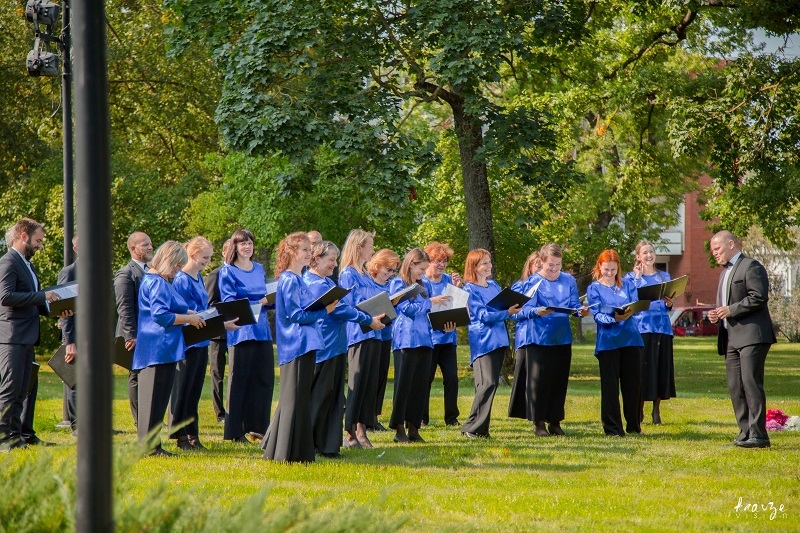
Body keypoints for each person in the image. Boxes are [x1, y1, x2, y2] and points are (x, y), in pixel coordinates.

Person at [305, 241, 384, 458]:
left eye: (336, 259)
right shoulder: (315, 284)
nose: (335, 264)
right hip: (325, 346)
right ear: (316, 259)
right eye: (331, 260)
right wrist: (367, 319)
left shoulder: (325, 282)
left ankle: (326, 444)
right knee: (320, 398)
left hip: (335, 345)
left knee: (332, 399)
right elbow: (341, 310)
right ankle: (313, 444)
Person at [262, 233, 336, 462]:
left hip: (304, 342)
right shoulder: (290, 279)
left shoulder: (298, 278)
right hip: (297, 343)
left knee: (297, 400)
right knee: (293, 400)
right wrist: (326, 310)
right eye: (304, 250)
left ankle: (291, 452)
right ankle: (285, 453)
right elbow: (295, 315)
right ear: (293, 253)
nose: (309, 253)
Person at [133, 241, 206, 456]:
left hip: (164, 348)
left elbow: (175, 306)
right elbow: (161, 315)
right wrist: (189, 319)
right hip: (157, 347)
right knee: (153, 400)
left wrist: (192, 313)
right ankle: (149, 447)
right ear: (168, 260)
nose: (178, 270)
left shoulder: (162, 280)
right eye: (176, 265)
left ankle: (151, 445)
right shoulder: (156, 282)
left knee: (158, 400)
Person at [708, 230, 776, 449]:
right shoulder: (723, 273)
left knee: (750, 383)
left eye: (717, 249)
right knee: (735, 386)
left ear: (730, 244)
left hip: (752, 335)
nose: (714, 254)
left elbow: (759, 296)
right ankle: (745, 431)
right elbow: (725, 306)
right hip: (731, 338)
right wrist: (716, 313)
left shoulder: (751, 266)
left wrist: (730, 310)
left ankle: (759, 435)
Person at [0, 219, 61, 451]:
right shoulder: (8, 262)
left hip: (26, 337)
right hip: (11, 336)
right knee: (10, 388)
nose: (40, 246)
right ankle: (4, 438)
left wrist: (54, 310)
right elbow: (6, 298)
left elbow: (32, 299)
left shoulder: (27, 264)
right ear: (23, 236)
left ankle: (15, 436)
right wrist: (42, 298)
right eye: (38, 241)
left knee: (22, 389)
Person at [513, 244, 587, 436]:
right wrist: (538, 311)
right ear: (542, 262)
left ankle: (555, 421)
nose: (554, 269)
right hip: (538, 337)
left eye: (558, 265)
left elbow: (573, 304)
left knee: (558, 381)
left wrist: (581, 311)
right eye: (550, 265)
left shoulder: (568, 280)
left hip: (561, 336)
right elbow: (522, 310)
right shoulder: (532, 282)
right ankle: (539, 423)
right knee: (539, 382)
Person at [170, 237, 236, 450]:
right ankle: (181, 436)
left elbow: (205, 308)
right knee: (184, 390)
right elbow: (181, 311)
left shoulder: (198, 277)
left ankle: (192, 435)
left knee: (194, 390)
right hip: (187, 341)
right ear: (192, 254)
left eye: (209, 258)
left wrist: (220, 322)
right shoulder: (181, 279)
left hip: (200, 340)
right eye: (204, 257)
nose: (207, 262)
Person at [390, 248, 455, 443]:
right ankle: (399, 428)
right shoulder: (397, 283)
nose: (423, 272)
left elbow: (427, 313)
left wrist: (444, 326)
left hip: (426, 339)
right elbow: (405, 309)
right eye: (421, 268)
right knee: (404, 385)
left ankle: (414, 427)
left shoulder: (423, 284)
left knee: (419, 386)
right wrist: (429, 303)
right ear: (411, 264)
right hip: (406, 340)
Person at [218, 229, 274, 443]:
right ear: (235, 246)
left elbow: (266, 298)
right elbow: (230, 303)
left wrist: (272, 299)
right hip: (241, 331)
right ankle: (234, 432)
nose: (247, 246)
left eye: (250, 242)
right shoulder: (228, 271)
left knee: (263, 379)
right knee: (239, 381)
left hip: (261, 331)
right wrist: (258, 303)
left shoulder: (259, 268)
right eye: (242, 243)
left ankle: (258, 428)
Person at [460, 249, 521, 439]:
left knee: (491, 384)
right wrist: (507, 313)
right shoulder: (470, 288)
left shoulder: (493, 285)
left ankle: (480, 428)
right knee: (486, 383)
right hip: (483, 340)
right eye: (484, 263)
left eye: (489, 262)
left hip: (499, 338)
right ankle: (471, 427)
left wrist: (512, 308)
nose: (489, 266)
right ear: (474, 267)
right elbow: (483, 316)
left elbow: (499, 306)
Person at [587, 249, 644, 437]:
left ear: (618, 267)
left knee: (633, 385)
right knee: (610, 388)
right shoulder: (594, 288)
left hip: (631, 339)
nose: (610, 273)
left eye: (613, 269)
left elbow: (635, 304)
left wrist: (628, 313)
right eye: (606, 270)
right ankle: (612, 428)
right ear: (599, 268)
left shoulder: (627, 284)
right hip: (608, 342)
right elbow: (597, 315)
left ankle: (634, 425)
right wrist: (614, 319)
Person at [625, 240, 675, 425]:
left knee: (660, 368)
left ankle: (656, 410)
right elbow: (629, 300)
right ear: (638, 256)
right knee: (641, 370)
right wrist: (638, 279)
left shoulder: (664, 276)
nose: (649, 255)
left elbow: (668, 302)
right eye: (644, 252)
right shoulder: (630, 278)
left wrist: (670, 303)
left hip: (662, 327)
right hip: (641, 328)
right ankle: (639, 410)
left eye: (651, 251)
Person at [339, 229, 380, 448]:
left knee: (368, 384)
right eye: (370, 246)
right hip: (358, 334)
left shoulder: (365, 274)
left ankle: (363, 429)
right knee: (357, 383)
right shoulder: (348, 274)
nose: (373, 250)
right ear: (358, 248)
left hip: (374, 331)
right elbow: (348, 305)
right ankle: (350, 433)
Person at [421, 242, 462, 427]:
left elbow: (459, 306)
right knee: (425, 379)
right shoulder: (421, 282)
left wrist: (459, 288)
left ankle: (451, 418)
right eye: (437, 261)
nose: (441, 265)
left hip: (448, 339)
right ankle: (422, 417)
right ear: (428, 261)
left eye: (444, 261)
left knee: (452, 378)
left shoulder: (449, 280)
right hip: (429, 340)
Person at [115, 231, 154, 427]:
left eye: (150, 244)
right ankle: (140, 420)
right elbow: (125, 308)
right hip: (135, 335)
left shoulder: (152, 270)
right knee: (136, 376)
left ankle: (148, 416)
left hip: (150, 334)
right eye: (145, 244)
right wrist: (131, 336)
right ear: (133, 248)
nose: (150, 247)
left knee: (147, 375)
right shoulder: (126, 274)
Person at [367, 248, 400, 431]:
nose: (390, 274)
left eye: (393, 271)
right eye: (387, 269)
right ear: (377, 266)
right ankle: (367, 418)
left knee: (381, 376)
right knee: (371, 377)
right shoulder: (370, 284)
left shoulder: (391, 286)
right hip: (371, 334)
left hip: (386, 334)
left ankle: (375, 416)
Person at [508, 251, 541, 422]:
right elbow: (512, 314)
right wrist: (533, 312)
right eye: (537, 265)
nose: (540, 269)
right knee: (525, 376)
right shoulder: (520, 285)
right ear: (530, 266)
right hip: (526, 336)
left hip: (544, 337)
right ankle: (524, 412)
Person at [205, 239, 231, 424]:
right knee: (218, 374)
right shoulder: (215, 274)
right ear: (223, 253)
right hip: (218, 334)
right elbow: (210, 304)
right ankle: (220, 414)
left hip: (237, 332)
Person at [57, 235, 79, 437]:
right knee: (75, 381)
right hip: (77, 336)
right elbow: (64, 311)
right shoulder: (69, 272)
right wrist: (70, 341)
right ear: (77, 247)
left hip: (96, 336)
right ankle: (78, 426)